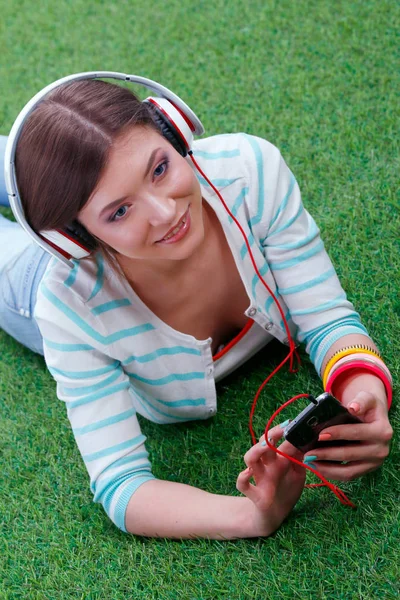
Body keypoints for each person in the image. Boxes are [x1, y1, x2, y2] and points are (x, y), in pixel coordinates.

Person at [0, 78, 393, 539]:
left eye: (160, 168)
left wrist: (364, 391)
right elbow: (121, 485)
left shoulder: (249, 173)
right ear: (73, 237)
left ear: (175, 132)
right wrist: (251, 516)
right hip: (27, 284)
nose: (165, 213)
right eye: (120, 212)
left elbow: (329, 319)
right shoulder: (68, 305)